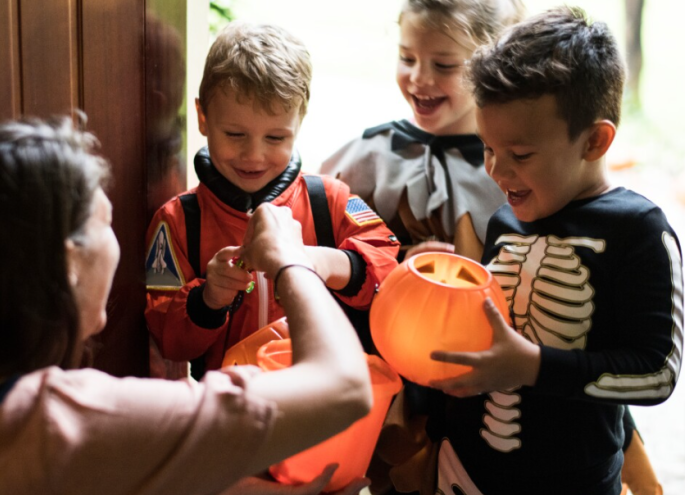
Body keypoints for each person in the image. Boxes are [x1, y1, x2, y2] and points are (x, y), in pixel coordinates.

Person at [0, 116, 374, 495]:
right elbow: (346, 387)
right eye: (106, 221)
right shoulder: (68, 423)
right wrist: (292, 262)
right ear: (69, 261)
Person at [423, 7, 682, 494]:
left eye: (520, 155)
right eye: (488, 148)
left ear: (595, 141)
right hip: (466, 470)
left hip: (573, 481)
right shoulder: (504, 221)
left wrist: (534, 366)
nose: (497, 173)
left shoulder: (639, 231)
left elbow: (657, 373)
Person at [144, 21, 399, 376]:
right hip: (232, 410)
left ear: (300, 122)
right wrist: (209, 300)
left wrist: (314, 262)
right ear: (203, 116)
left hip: (320, 403)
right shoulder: (178, 221)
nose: (254, 155)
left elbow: (389, 273)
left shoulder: (329, 200)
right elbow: (165, 338)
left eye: (276, 138)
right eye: (235, 134)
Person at [321, 0, 524, 263]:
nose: (418, 77)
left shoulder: (515, 170)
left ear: (494, 65)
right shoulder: (363, 157)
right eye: (407, 58)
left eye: (444, 65)